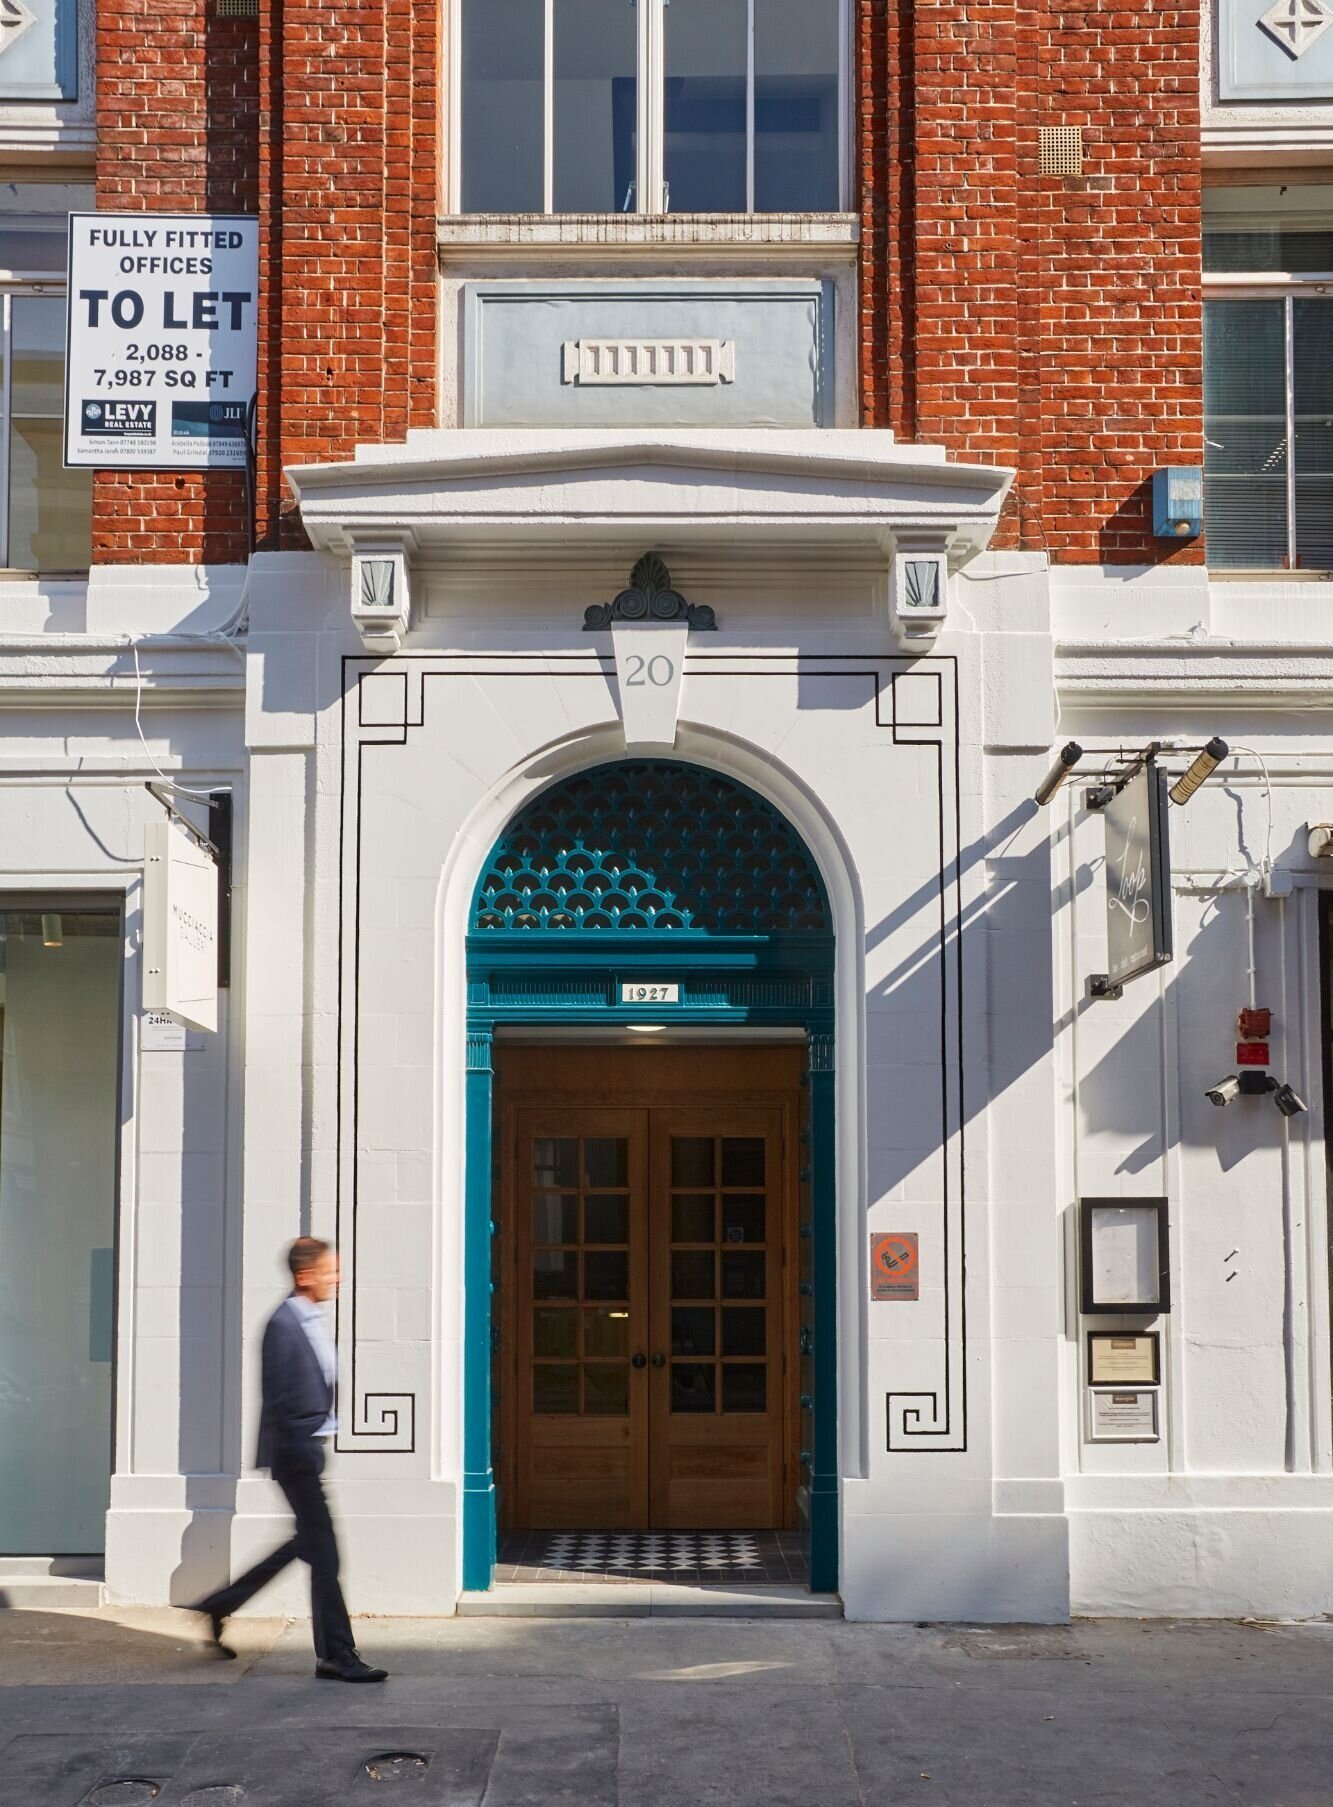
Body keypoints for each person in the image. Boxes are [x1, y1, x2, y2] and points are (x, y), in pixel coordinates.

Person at [191, 1237, 387, 1682]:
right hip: (296, 1457)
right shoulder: (284, 1323)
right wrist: (303, 1450)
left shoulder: (309, 1318)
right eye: (330, 1270)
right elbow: (279, 1399)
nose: (337, 1277)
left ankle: (219, 1605)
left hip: (306, 1453)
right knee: (327, 1558)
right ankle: (336, 1654)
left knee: (309, 1546)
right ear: (305, 1276)